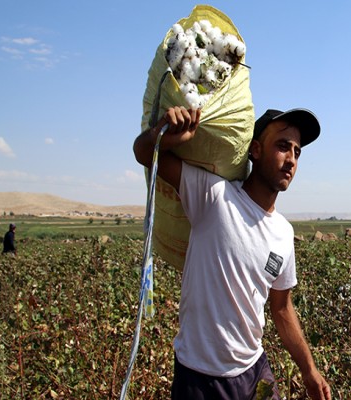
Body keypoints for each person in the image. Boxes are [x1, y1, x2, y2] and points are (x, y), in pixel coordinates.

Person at [133, 106, 331, 400]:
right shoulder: (214, 196)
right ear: (256, 150)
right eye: (282, 146)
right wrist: (167, 132)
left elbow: (281, 308)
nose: (291, 159)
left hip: (254, 371)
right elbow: (144, 153)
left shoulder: (283, 233)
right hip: (199, 379)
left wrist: (309, 370)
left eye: (297, 152)